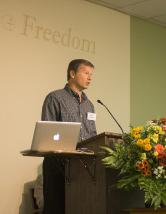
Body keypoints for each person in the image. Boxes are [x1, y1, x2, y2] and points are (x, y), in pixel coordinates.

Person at [41, 59, 97, 214]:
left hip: (82, 167)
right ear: (72, 73)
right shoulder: (55, 98)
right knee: (56, 209)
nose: (90, 78)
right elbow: (48, 134)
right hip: (59, 165)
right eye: (86, 73)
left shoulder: (89, 105)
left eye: (91, 74)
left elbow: (92, 135)